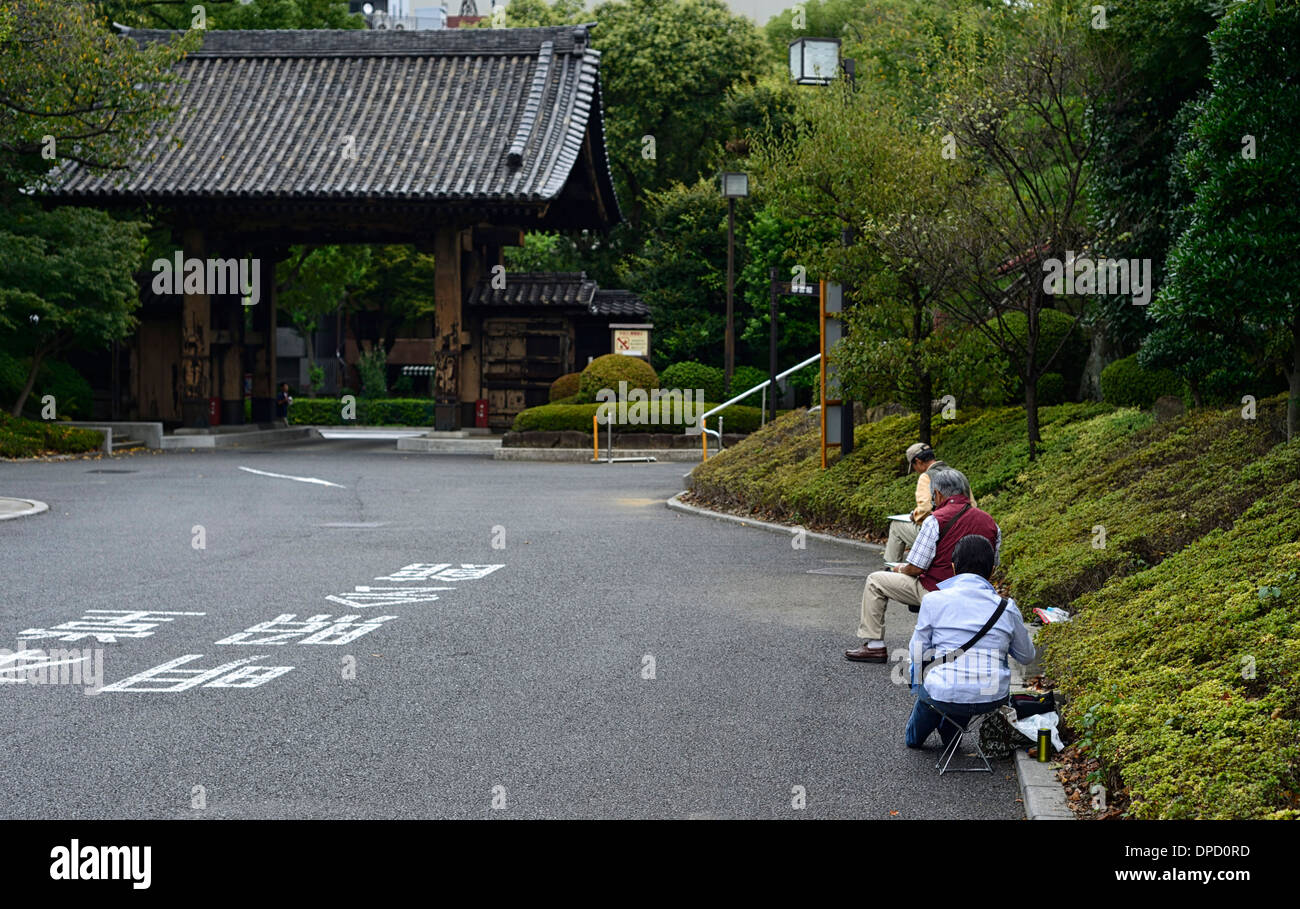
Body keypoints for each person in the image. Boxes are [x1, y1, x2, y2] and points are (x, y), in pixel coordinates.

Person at [845, 465, 1000, 663]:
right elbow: (993, 566)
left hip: (935, 590)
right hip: (977, 593)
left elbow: (916, 568)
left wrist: (898, 567)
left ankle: (874, 645)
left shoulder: (935, 520)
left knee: (875, 581)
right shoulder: (990, 522)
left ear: (937, 493)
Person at [904, 534, 1035, 749]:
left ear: (953, 567)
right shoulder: (1006, 608)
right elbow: (1027, 656)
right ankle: (951, 730)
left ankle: (926, 730)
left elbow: (917, 651)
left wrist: (917, 681)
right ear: (992, 570)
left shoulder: (933, 601)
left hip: (943, 692)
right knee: (967, 679)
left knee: (931, 685)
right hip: (992, 696)